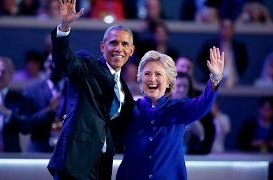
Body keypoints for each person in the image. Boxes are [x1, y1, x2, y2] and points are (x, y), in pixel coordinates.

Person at [47, 1, 135, 179]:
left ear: (131, 50)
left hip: (101, 165)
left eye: (125, 44)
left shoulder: (125, 89)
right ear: (103, 47)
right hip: (74, 161)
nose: (119, 49)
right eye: (114, 43)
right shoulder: (87, 65)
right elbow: (65, 60)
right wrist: (64, 27)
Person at [116, 46, 224, 180]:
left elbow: (203, 103)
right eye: (147, 74)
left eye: (158, 74)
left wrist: (215, 78)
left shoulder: (178, 109)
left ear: (168, 82)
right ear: (140, 79)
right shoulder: (129, 108)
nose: (152, 79)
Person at [23, 54, 67, 153]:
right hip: (39, 152)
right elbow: (26, 124)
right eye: (48, 61)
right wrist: (48, 111)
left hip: (67, 153)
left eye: (54, 61)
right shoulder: (32, 90)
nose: (50, 65)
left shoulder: (75, 89)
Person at [197, 18, 248, 87]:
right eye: (224, 28)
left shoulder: (240, 47)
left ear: (233, 31)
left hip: (234, 82)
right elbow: (201, 61)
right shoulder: (210, 46)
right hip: (214, 82)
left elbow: (244, 63)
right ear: (220, 29)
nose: (226, 31)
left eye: (229, 28)